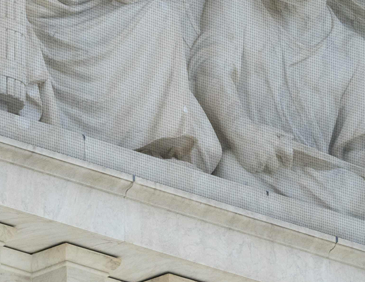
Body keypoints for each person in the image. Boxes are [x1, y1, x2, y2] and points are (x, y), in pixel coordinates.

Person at [189, 0, 365, 223]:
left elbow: (357, 142)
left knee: (352, 193)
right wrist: (239, 129)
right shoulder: (237, 6)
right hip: (251, 164)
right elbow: (210, 71)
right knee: (229, 167)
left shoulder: (352, 50)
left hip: (311, 179)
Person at [27, 0, 220, 170]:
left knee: (206, 150)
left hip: (102, 17)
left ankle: (142, 140)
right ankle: (137, 141)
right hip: (58, 16)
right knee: (159, 16)